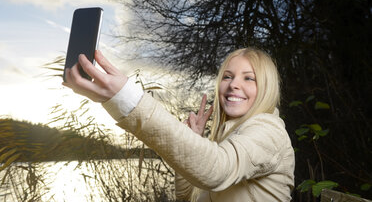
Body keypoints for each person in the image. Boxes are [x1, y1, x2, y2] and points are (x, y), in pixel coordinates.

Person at [63, 47, 295, 201]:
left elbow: (217, 170)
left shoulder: (268, 130)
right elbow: (186, 198)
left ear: (266, 87)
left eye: (249, 78)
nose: (234, 84)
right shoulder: (229, 138)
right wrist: (195, 139)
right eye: (227, 76)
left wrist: (126, 97)